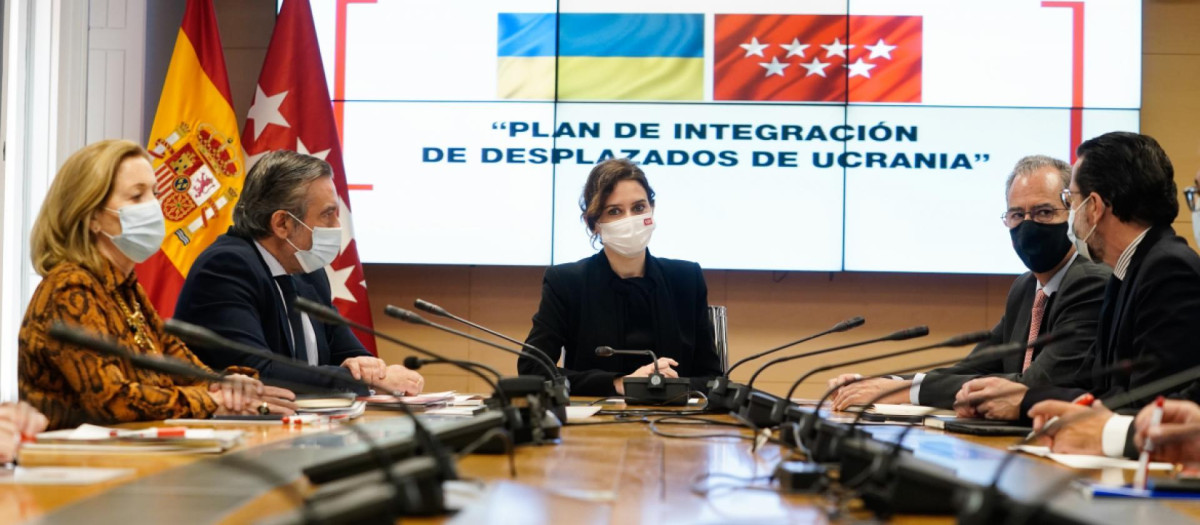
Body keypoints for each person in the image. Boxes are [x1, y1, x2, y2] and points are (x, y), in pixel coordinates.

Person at [20, 140, 295, 430]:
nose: (153, 206)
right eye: (137, 196)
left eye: (155, 193)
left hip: (128, 455)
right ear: (92, 217)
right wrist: (213, 400)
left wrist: (226, 384)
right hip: (69, 464)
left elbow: (182, 366)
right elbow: (113, 399)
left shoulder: (126, 290)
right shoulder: (71, 287)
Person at [827, 156, 1109, 414]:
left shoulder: (1089, 282)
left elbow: (1034, 385)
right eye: (1016, 215)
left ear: (1073, 214)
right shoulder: (1025, 288)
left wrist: (903, 391)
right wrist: (887, 384)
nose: (1028, 225)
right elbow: (972, 368)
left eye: (1044, 213)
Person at [175, 150, 423, 395]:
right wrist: (360, 380)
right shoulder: (226, 267)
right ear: (282, 223)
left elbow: (352, 356)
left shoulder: (307, 271)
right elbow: (258, 372)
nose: (337, 227)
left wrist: (371, 372)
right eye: (327, 214)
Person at [1025, 131, 1200, 459]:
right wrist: (1025, 400)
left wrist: (1025, 401)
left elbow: (1151, 400)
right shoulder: (1130, 267)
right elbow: (1100, 385)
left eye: (1070, 200)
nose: (1070, 213)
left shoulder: (1169, 270)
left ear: (1093, 207)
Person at [519, 159, 723, 396]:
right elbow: (533, 370)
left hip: (673, 420)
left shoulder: (686, 278)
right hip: (596, 424)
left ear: (652, 209)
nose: (630, 220)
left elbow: (712, 379)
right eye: (615, 211)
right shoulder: (566, 282)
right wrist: (619, 383)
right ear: (593, 223)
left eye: (638, 208)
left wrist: (671, 385)